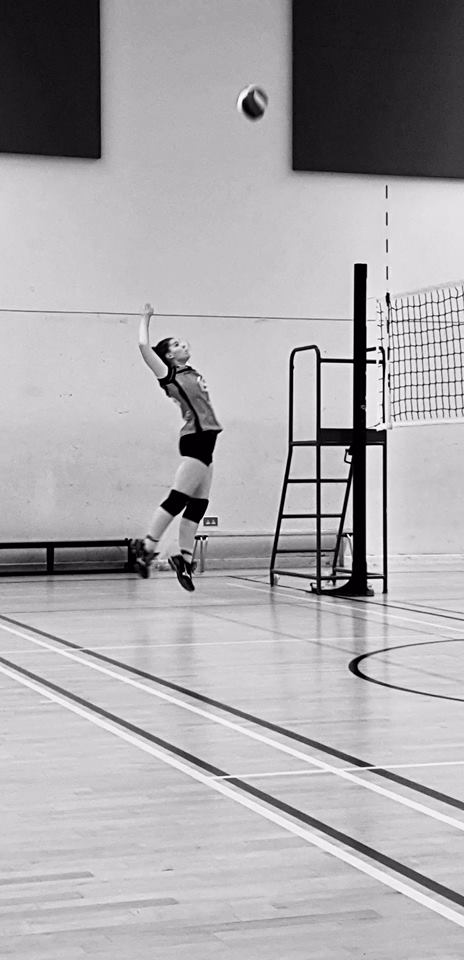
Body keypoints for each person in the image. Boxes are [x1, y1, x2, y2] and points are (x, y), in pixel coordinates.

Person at [132, 303, 222, 591]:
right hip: (195, 438)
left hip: (208, 438)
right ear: (169, 355)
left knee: (199, 503)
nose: (183, 344)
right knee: (178, 498)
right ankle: (147, 546)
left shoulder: (190, 371)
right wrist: (145, 318)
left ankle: (183, 557)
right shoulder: (168, 375)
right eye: (176, 344)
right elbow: (144, 347)